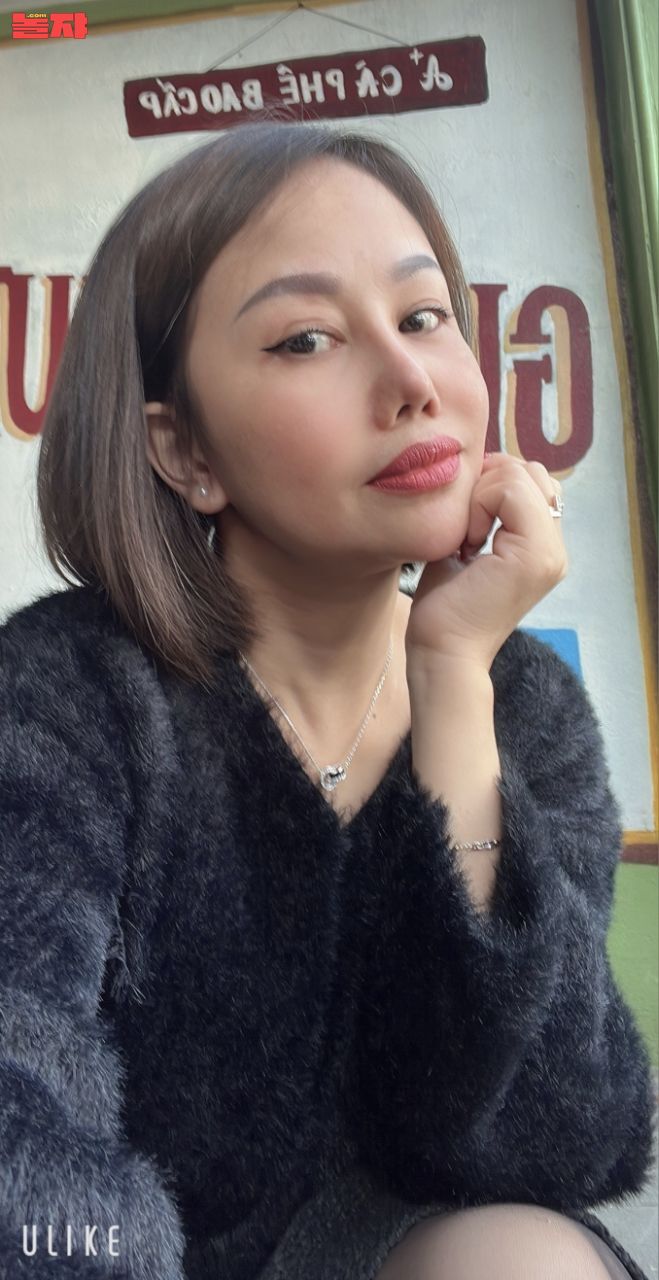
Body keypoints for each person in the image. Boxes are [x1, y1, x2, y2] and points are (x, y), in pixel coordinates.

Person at [0, 121, 655, 1280]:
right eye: (306, 338)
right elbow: (21, 1131)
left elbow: (548, 1137)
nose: (410, 383)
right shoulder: (68, 696)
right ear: (185, 452)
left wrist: (451, 689)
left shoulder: (522, 703)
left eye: (423, 317)